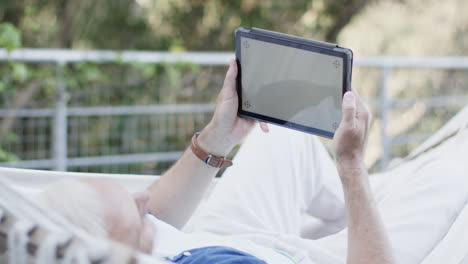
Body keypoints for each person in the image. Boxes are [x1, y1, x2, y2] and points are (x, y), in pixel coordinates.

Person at [39, 59, 468, 264]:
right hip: (282, 256)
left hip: (213, 239)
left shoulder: (104, 240)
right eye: (134, 218)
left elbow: (159, 219)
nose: (143, 203)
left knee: (282, 130)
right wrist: (352, 166)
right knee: (450, 176)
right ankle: (371, 205)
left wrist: (220, 136)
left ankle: (371, 201)